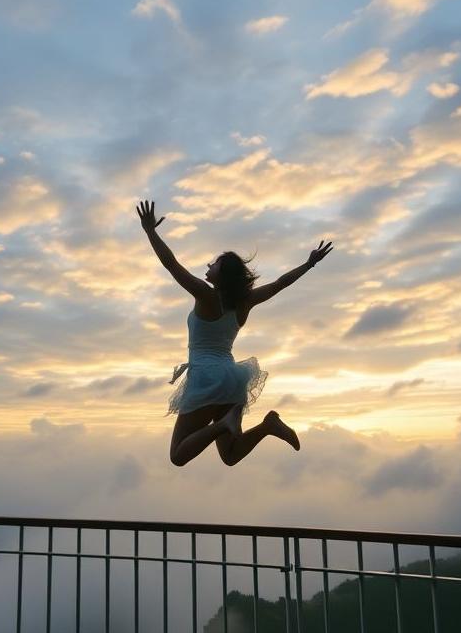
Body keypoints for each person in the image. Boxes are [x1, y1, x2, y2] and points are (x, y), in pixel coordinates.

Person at [137, 200, 332, 467]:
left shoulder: (206, 296)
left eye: (215, 263)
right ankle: (267, 426)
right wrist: (308, 264)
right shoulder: (245, 301)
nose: (209, 264)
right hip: (233, 380)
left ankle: (223, 425)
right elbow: (280, 283)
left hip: (207, 378)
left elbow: (172, 265)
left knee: (178, 455)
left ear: (222, 275)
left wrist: (150, 232)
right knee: (230, 456)